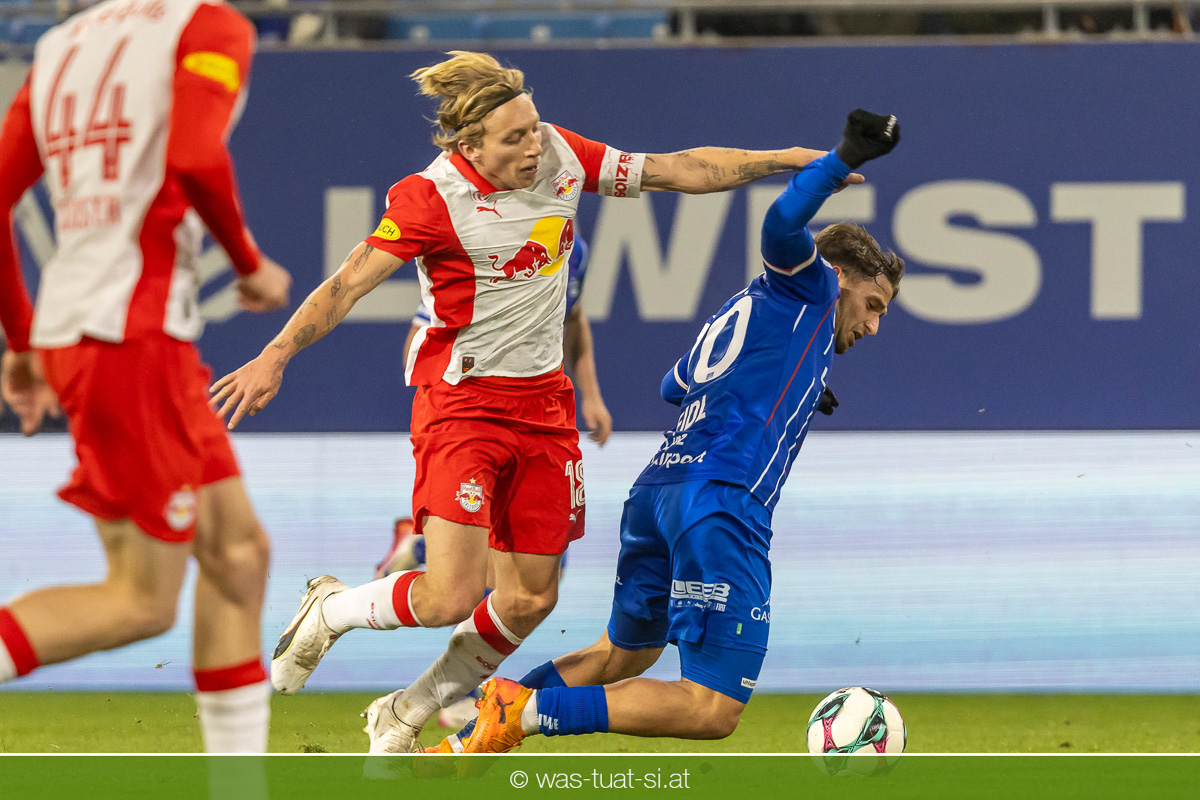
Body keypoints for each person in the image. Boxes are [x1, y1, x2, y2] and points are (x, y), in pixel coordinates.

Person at [209, 50, 861, 754]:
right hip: (462, 402)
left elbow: (679, 169)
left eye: (534, 127)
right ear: (470, 147)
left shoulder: (560, 154)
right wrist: (275, 355)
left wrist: (786, 160)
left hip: (545, 406)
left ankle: (408, 709)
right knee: (450, 595)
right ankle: (331, 608)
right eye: (514, 137)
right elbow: (346, 284)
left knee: (529, 599)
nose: (533, 146)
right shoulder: (429, 199)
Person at [428, 109, 902, 754]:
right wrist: (842, 158)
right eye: (873, 306)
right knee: (712, 707)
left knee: (622, 653)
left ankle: (467, 738)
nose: (873, 327)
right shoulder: (811, 286)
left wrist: (778, 383)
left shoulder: (754, 307)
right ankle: (521, 712)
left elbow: (674, 386)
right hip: (722, 499)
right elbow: (781, 223)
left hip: (659, 491)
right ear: (839, 277)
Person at [0, 0, 292, 754]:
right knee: (141, 601)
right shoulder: (207, 25)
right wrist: (250, 264)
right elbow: (194, 157)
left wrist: (24, 340)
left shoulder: (62, 41)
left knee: (238, 557)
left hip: (107, 332)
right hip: (130, 336)